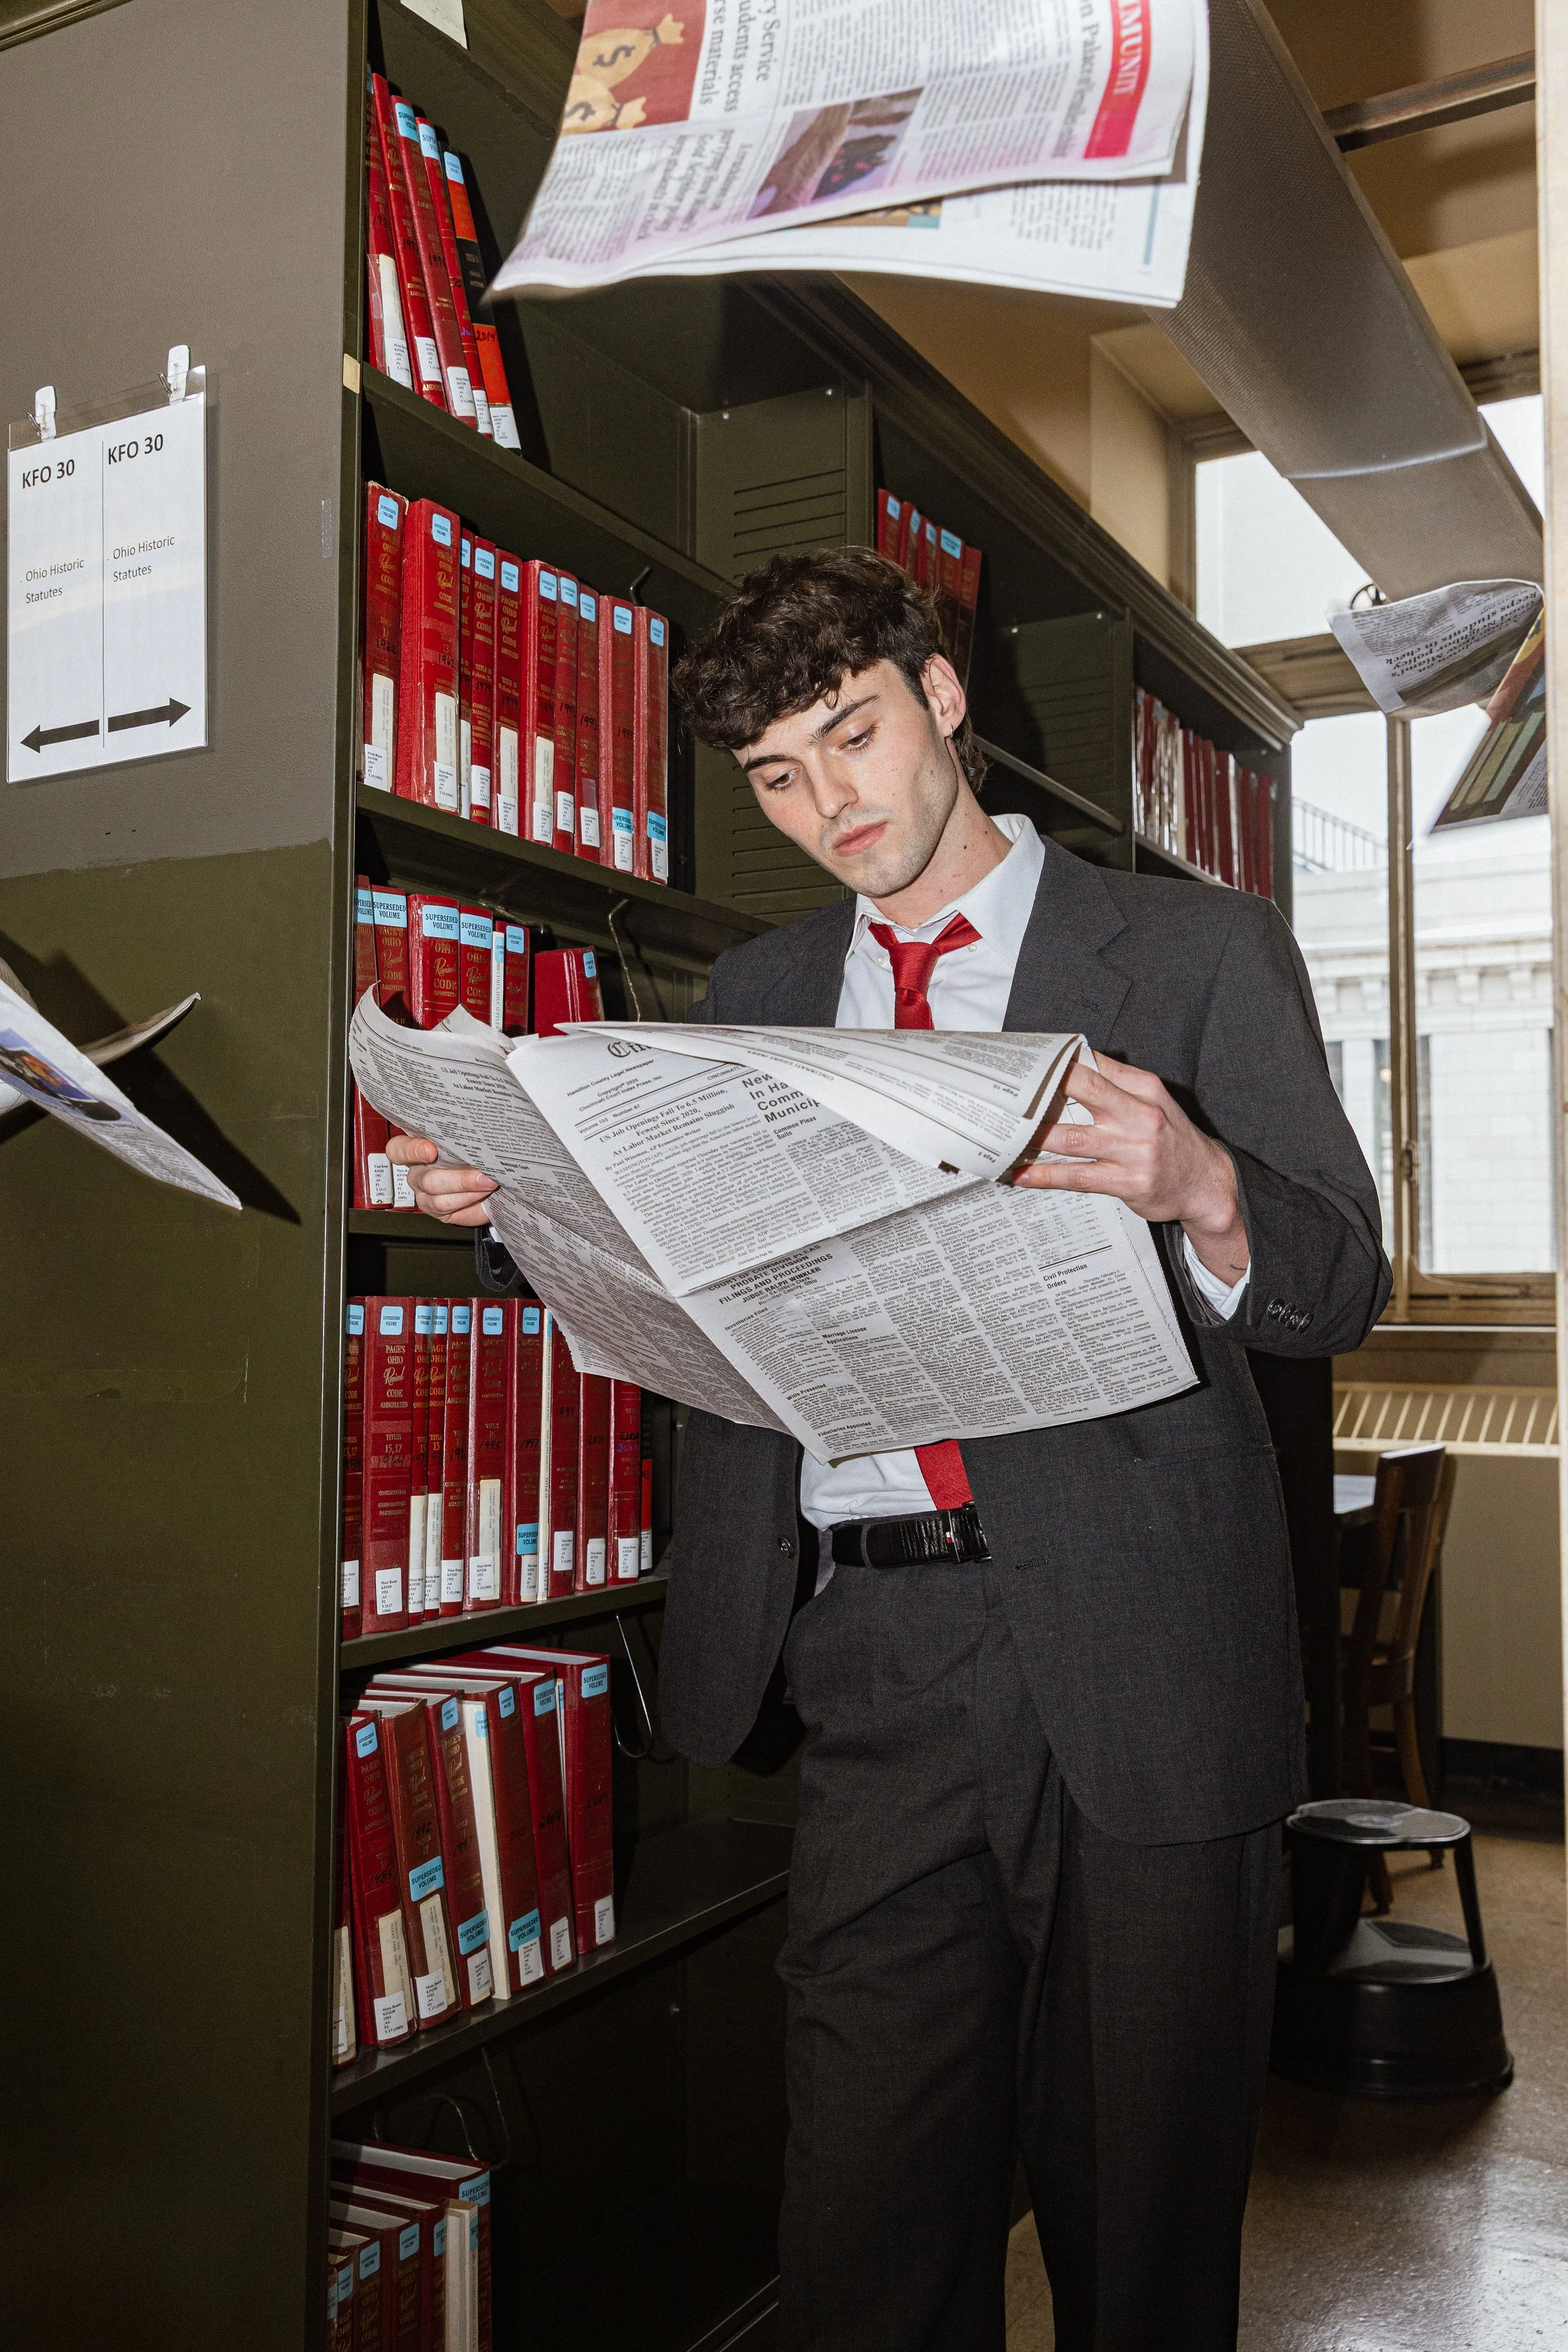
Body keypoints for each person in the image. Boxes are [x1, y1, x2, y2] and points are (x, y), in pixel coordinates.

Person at [388, 549, 1390, 2352]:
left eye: (848, 734)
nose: (826, 801)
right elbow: (691, 1266)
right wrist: (518, 1207)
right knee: (862, 2232)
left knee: (1139, 2237)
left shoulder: (1188, 950)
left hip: (1147, 1650)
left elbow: (1338, 1278)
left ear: (939, 699)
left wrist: (1204, 1184)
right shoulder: (755, 985)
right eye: (777, 774)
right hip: (871, 1653)